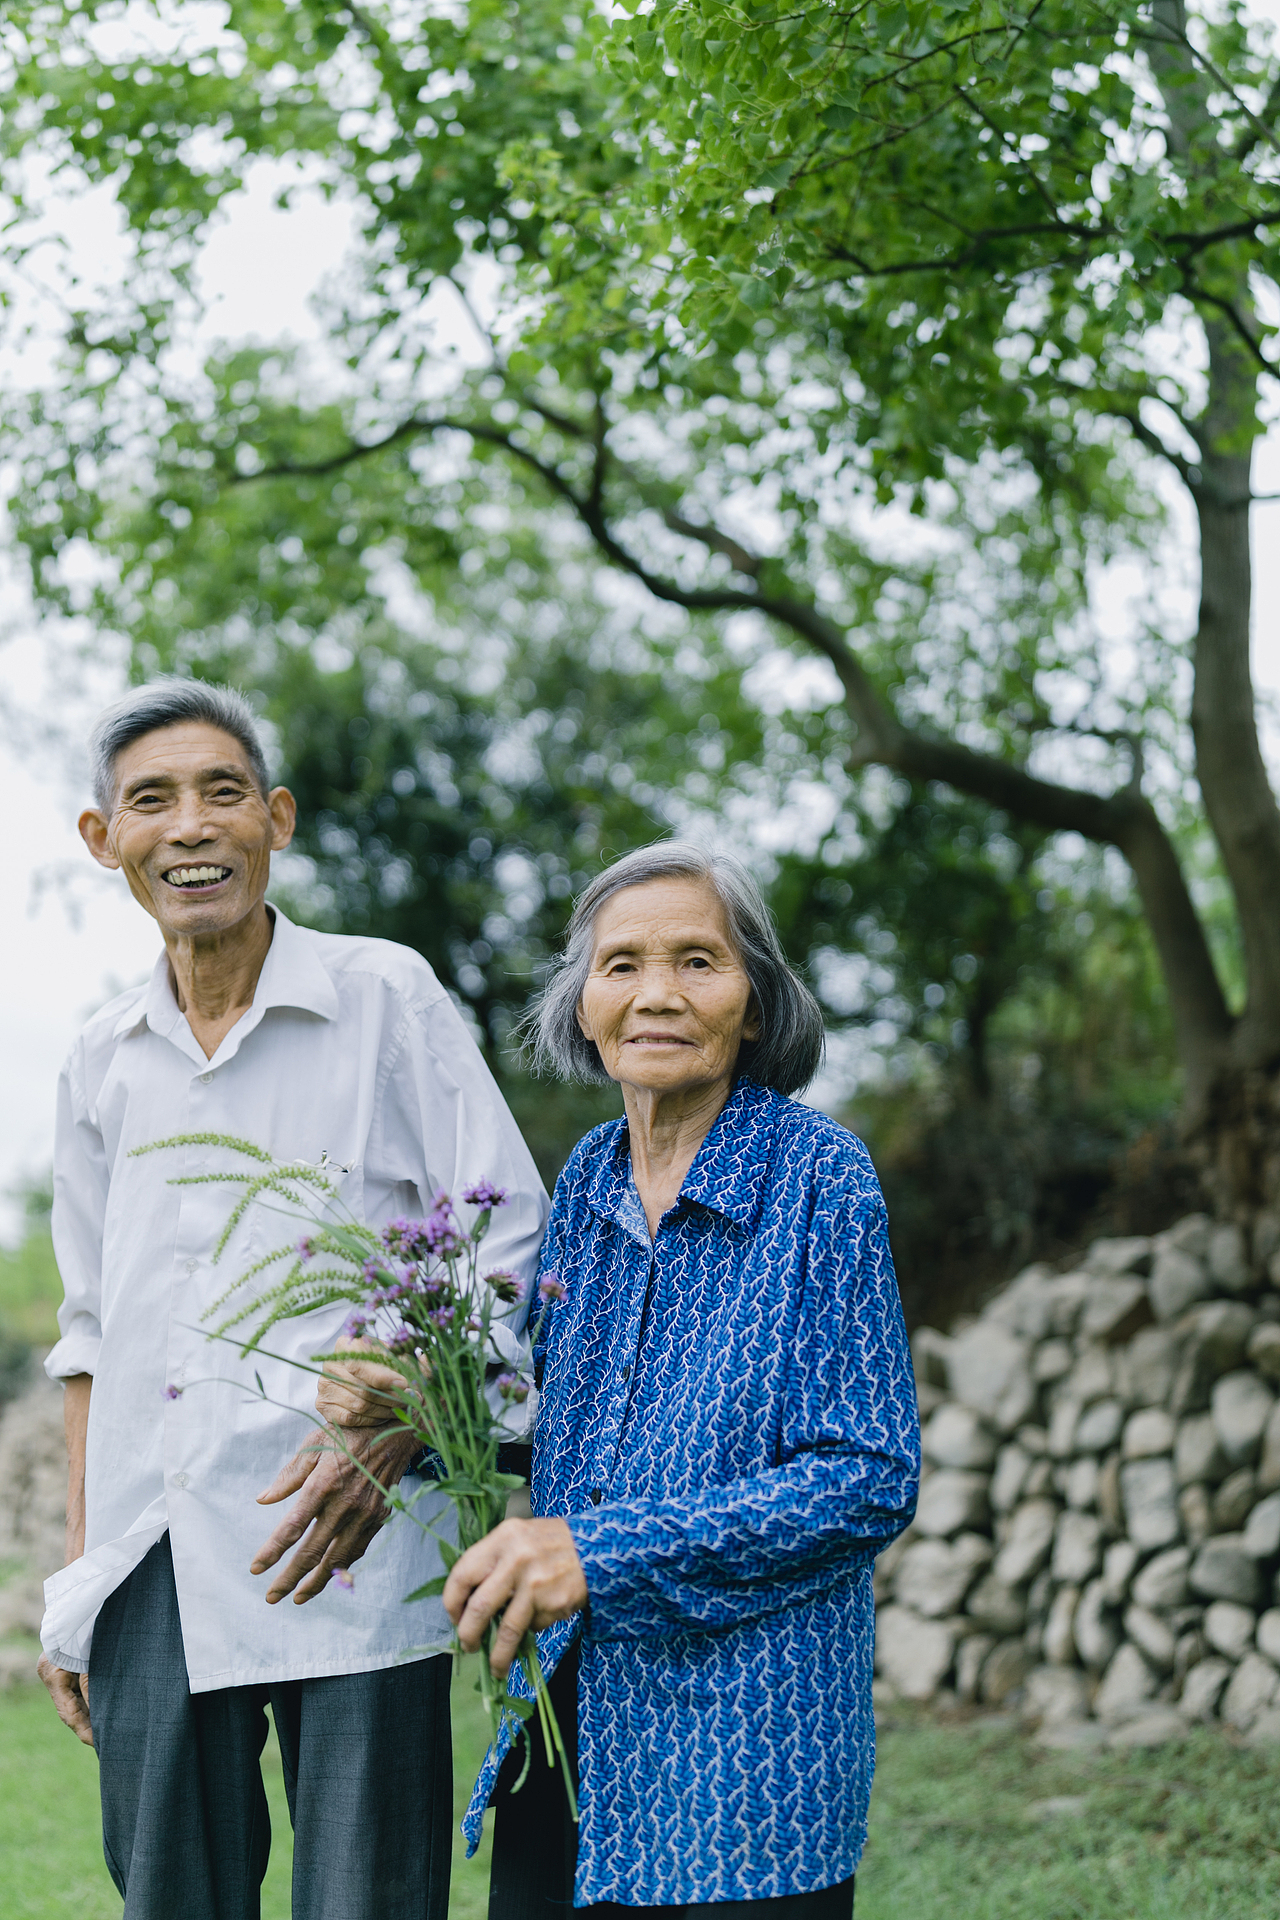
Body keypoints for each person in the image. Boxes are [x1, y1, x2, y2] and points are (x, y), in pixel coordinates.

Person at [36, 679, 548, 1920]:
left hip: (357, 1533)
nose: (191, 827)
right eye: (150, 802)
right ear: (106, 842)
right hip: (152, 1551)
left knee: (367, 1897)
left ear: (277, 819)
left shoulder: (384, 996)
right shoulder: (102, 1057)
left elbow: (507, 1237)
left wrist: (405, 1395)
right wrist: (80, 1584)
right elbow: (90, 1332)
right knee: (169, 1895)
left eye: (222, 793)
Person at [442, 841, 921, 1919]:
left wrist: (596, 1551)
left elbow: (866, 1476)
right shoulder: (586, 1179)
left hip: (744, 1761)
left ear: (753, 1007)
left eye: (696, 961)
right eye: (620, 966)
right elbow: (557, 1421)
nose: (655, 993)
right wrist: (420, 1415)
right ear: (581, 1008)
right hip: (568, 1726)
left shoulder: (818, 1175)